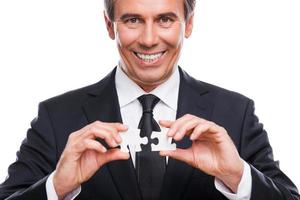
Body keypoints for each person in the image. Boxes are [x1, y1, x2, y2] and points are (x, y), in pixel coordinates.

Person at [0, 0, 299, 199]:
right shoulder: (57, 117)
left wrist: (238, 176)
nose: (148, 39)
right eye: (132, 20)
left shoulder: (236, 113)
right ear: (109, 25)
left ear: (189, 24)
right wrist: (56, 187)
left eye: (165, 19)